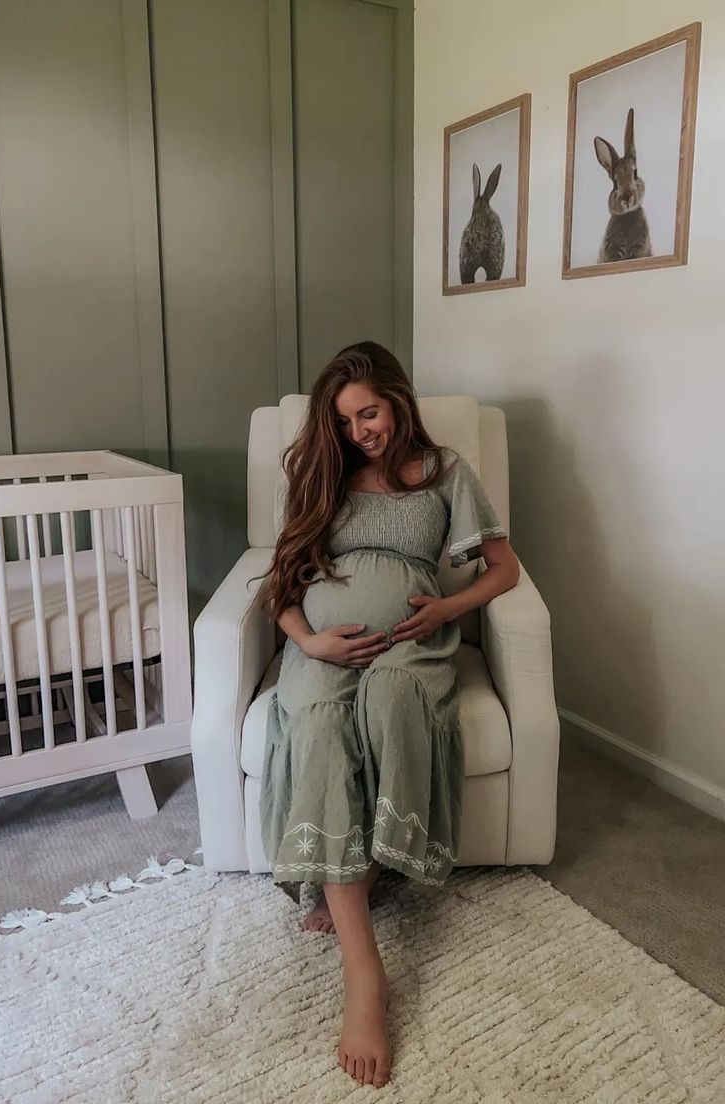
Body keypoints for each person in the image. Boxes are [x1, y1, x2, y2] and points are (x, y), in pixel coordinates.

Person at [248, 340, 520, 1088]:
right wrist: (310, 641)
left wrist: (446, 606)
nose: (359, 430)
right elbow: (281, 587)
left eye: (367, 412)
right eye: (344, 420)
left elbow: (504, 568)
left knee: (392, 698)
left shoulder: (444, 474)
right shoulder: (324, 475)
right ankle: (365, 973)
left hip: (408, 643)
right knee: (314, 721)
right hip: (324, 647)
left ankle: (357, 878)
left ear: (397, 399)